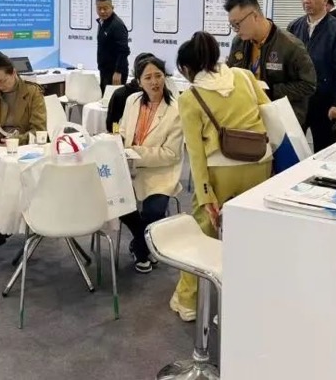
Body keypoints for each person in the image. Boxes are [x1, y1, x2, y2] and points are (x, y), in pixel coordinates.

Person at [172, 32, 272, 321]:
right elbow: (271, 114)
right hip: (260, 163)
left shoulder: (190, 97)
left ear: (187, 68)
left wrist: (206, 196)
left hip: (220, 170)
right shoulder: (243, 76)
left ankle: (188, 301)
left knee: (202, 234)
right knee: (250, 236)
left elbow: (195, 153)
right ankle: (245, 301)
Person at [116, 55, 184, 273]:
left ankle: (140, 248)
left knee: (154, 211)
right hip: (129, 169)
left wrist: (136, 153)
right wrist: (117, 142)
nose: (154, 82)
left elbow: (171, 154)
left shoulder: (176, 109)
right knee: (116, 202)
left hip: (160, 172)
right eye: (148, 78)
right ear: (139, 81)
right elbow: (124, 132)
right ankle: (145, 242)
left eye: (158, 75)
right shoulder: (132, 101)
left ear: (165, 77)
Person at [0, 52, 47, 250]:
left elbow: (39, 130)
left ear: (13, 73)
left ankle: (1, 223)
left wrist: (16, 140)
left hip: (25, 147)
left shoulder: (32, 92)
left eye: (2, 81)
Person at [224, 0, 316, 127]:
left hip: (282, 120)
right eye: (232, 25)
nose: (235, 30)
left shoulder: (290, 45)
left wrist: (271, 91)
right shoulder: (239, 42)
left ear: (254, 16)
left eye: (237, 24)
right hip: (249, 117)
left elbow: (308, 85)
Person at [287, 0, 336, 151]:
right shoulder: (294, 27)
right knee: (293, 151)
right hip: (298, 102)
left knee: (325, 153)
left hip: (325, 104)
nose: (306, 0)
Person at [105, 52, 154, 133]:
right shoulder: (120, 95)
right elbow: (113, 123)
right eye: (148, 76)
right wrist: (118, 136)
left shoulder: (160, 94)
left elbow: (113, 123)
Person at [96, 0, 130, 94]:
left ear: (112, 7)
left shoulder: (117, 25)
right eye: (99, 8)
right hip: (105, 70)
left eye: (105, 8)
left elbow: (124, 50)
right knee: (105, 99)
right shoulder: (102, 22)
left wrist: (118, 72)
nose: (102, 11)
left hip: (115, 73)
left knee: (113, 100)